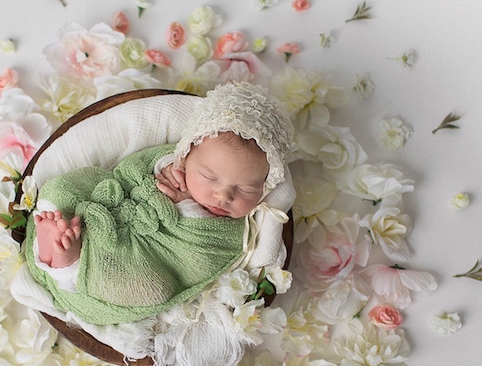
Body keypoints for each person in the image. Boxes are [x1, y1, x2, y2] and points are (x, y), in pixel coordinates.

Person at [24, 81, 293, 327]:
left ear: (265, 186)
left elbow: (198, 262)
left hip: (144, 257)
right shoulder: (170, 162)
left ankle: (68, 265)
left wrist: (187, 208)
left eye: (246, 189)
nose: (223, 196)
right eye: (209, 177)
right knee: (65, 186)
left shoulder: (234, 233)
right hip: (105, 210)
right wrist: (158, 171)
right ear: (185, 156)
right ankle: (57, 235)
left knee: (152, 287)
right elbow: (127, 169)